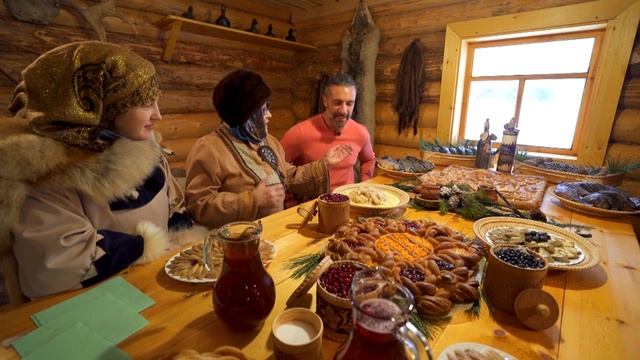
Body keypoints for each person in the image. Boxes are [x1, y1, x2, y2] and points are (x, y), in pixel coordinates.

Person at [0, 41, 203, 305]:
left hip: (154, 292)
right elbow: (58, 265)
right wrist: (146, 247)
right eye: (145, 103)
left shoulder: (148, 150)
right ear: (102, 106)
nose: (158, 115)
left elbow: (173, 208)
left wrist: (187, 249)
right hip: (89, 311)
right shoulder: (45, 173)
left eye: (157, 102)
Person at [184, 70, 352, 228]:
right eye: (263, 110)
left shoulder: (267, 141)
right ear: (245, 113)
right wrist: (252, 200)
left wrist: (324, 164)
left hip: (274, 230)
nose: (269, 115)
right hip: (238, 243)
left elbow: (287, 177)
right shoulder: (209, 148)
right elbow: (198, 205)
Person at [280, 73, 375, 193]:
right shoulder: (299, 133)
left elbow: (368, 160)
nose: (344, 110)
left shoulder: (360, 132)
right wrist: (289, 203)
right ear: (325, 100)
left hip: (346, 203)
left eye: (349, 103)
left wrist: (364, 184)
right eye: (337, 103)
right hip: (310, 206)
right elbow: (276, 170)